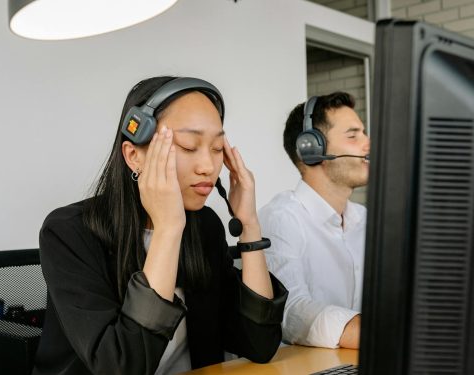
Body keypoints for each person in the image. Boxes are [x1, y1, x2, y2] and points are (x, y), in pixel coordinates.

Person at [32, 76, 287, 375]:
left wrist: (250, 227)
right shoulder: (69, 232)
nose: (208, 165)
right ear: (133, 155)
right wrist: (167, 229)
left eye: (217, 148)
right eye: (189, 146)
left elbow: (261, 344)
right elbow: (123, 368)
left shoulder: (205, 227)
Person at [258, 92, 370, 349]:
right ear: (312, 148)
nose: (368, 143)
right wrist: (376, 333)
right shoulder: (281, 219)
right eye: (353, 136)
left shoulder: (365, 220)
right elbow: (292, 312)